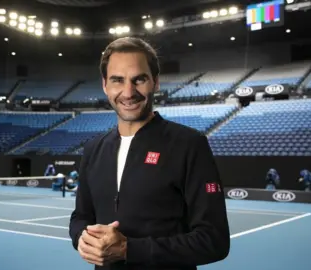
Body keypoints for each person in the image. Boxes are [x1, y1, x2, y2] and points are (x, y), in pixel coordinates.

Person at [69, 37, 230, 270]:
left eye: (139, 79)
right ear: (105, 85)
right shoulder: (94, 149)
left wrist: (128, 250)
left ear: (155, 82)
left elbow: (214, 240)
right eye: (117, 80)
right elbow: (80, 217)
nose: (128, 92)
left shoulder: (189, 145)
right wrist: (81, 239)